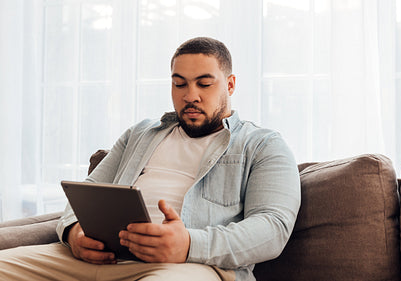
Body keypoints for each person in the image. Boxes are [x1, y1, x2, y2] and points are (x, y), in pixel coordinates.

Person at [0, 37, 301, 281]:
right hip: (97, 258)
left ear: (230, 85)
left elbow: (272, 228)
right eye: (179, 83)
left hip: (187, 266)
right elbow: (86, 191)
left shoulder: (263, 145)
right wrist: (73, 231)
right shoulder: (141, 133)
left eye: (204, 84)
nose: (190, 95)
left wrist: (188, 244)